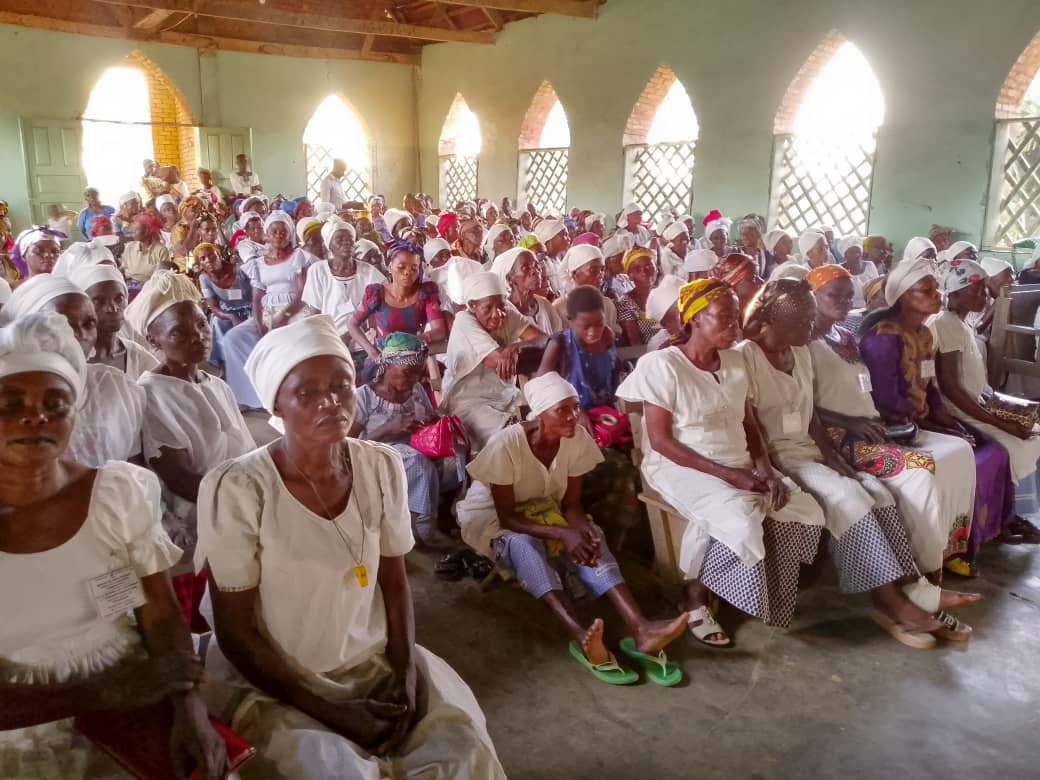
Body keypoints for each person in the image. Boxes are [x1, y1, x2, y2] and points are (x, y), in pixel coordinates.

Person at [194, 314, 504, 778]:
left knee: (464, 752)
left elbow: (395, 585)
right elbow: (237, 634)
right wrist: (330, 711)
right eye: (308, 393)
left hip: (372, 658)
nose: (332, 403)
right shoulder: (239, 488)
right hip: (282, 678)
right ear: (275, 402)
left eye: (341, 385)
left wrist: (404, 668)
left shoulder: (380, 467)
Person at [0, 312, 226, 779]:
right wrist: (100, 693)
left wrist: (189, 708)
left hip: (136, 694)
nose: (35, 417)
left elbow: (159, 613)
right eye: (10, 403)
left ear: (74, 413)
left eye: (55, 403)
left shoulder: (114, 494)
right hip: (21, 735)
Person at [740, 279, 958, 645]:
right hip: (777, 457)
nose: (813, 329)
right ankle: (891, 603)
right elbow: (748, 426)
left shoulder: (802, 351)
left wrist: (832, 458)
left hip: (809, 449)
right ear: (779, 322)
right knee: (849, 500)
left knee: (877, 491)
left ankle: (908, 587)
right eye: (806, 322)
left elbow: (810, 416)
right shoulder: (746, 357)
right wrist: (769, 470)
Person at [617, 279, 827, 641]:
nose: (735, 326)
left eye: (736, 318)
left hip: (736, 460)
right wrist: (730, 476)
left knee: (804, 509)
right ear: (695, 319)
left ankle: (749, 583)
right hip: (680, 465)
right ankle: (695, 596)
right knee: (740, 516)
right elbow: (662, 442)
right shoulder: (662, 365)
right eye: (724, 318)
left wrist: (766, 471)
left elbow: (748, 424)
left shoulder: (735, 361)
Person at [457, 371, 687, 684]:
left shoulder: (575, 439)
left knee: (591, 534)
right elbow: (508, 517)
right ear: (539, 414)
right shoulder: (507, 444)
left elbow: (572, 507)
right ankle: (579, 634)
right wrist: (563, 533)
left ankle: (640, 626)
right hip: (491, 518)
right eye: (562, 410)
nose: (573, 417)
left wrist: (578, 531)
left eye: (574, 408)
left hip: (542, 509)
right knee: (524, 545)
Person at [807, 265, 981, 614]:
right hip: (838, 438)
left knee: (956, 453)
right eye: (832, 295)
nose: (843, 302)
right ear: (810, 297)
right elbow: (801, 404)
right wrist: (850, 422)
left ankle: (935, 568)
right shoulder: (804, 343)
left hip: (870, 427)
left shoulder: (845, 336)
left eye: (847, 295)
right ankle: (924, 575)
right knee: (921, 471)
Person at [859, 256, 1014, 578]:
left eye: (935, 289)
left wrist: (947, 421)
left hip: (920, 421)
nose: (937, 295)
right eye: (926, 290)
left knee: (991, 450)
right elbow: (887, 402)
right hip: (893, 426)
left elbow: (929, 389)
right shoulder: (884, 337)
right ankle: (931, 553)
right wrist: (930, 425)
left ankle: (964, 542)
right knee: (956, 456)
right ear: (903, 296)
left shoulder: (925, 335)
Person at [132, 270, 254, 558]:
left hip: (245, 509)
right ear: (154, 340)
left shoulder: (217, 385)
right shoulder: (152, 394)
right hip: (206, 522)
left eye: (201, 324)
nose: (198, 336)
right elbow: (181, 479)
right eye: (179, 332)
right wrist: (246, 502)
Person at [931, 259, 1040, 540]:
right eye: (975, 291)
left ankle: (1016, 514)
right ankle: (1003, 519)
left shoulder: (961, 322)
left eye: (983, 290)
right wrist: (1001, 424)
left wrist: (1007, 407)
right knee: (1014, 445)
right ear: (953, 293)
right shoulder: (944, 324)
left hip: (979, 402)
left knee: (1034, 430)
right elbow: (952, 390)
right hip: (960, 412)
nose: (984, 296)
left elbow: (975, 384)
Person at [0, 274, 145, 469]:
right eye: (62, 324)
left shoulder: (118, 388)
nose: (80, 335)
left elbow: (134, 469)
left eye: (88, 324)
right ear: (25, 328)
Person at [536, 286, 642, 539]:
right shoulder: (560, 343)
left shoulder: (608, 338)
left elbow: (615, 378)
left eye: (599, 323)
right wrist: (575, 409)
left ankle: (635, 537)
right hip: (569, 426)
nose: (594, 332)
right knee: (620, 468)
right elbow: (540, 387)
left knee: (646, 458)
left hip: (607, 422)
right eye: (586, 326)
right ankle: (606, 538)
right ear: (570, 321)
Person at [349, 332, 460, 548]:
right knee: (416, 463)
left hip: (415, 446)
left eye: (418, 374)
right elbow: (349, 444)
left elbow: (431, 416)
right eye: (408, 373)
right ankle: (424, 529)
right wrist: (388, 429)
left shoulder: (415, 389)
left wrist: (431, 420)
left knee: (455, 459)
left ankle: (445, 513)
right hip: (376, 452)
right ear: (387, 366)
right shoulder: (364, 397)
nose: (414, 380)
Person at [441, 272, 546, 449]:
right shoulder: (463, 321)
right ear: (473, 306)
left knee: (545, 419)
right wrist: (519, 353)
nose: (497, 314)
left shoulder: (507, 311)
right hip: (469, 404)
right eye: (487, 308)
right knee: (513, 436)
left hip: (507, 396)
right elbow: (498, 362)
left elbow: (544, 340)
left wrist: (516, 348)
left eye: (501, 306)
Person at [347, 239, 446, 366]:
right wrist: (371, 351)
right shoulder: (377, 294)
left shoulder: (425, 294)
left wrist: (411, 343)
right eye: (401, 267)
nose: (407, 272)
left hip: (414, 356)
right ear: (389, 267)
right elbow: (352, 324)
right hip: (384, 360)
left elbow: (439, 330)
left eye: (414, 268)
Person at [301, 219, 386, 363]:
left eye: (350, 239)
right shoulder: (318, 270)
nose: (346, 243)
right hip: (331, 342)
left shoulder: (368, 272)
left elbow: (378, 310)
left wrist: (348, 337)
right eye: (339, 240)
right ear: (330, 246)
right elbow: (314, 313)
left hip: (364, 344)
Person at [68, 263, 159, 380]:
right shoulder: (73, 360)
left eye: (119, 299)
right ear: (82, 306)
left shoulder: (139, 357)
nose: (113, 308)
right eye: (99, 301)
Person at [248, 212, 309, 335]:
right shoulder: (258, 264)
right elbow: (256, 299)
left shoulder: (297, 256)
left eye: (283, 232)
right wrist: (259, 324)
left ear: (290, 235)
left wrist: (285, 315)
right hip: (268, 312)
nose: (278, 236)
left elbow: (303, 292)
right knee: (236, 337)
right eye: (274, 232)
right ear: (267, 235)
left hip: (295, 309)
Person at [196, 243, 253, 368]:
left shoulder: (239, 269)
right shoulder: (204, 278)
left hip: (251, 309)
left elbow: (258, 291)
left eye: (212, 255)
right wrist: (232, 317)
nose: (209, 260)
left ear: (219, 256)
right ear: (200, 264)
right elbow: (214, 307)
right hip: (228, 313)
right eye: (203, 258)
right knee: (217, 322)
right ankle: (226, 363)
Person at [491, 246, 562, 335]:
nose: (534, 271)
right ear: (509, 278)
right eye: (525, 268)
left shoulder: (544, 304)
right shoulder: (505, 313)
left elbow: (559, 336)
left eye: (536, 265)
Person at [551, 245, 620, 336]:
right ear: (574, 273)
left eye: (602, 269)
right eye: (593, 270)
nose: (601, 275)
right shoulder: (559, 308)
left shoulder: (607, 304)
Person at [615, 247, 661, 346]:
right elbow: (636, 344)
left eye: (649, 267)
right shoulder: (626, 304)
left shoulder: (666, 294)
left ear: (656, 270)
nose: (644, 273)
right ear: (630, 275)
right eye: (637, 269)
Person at [122, 213, 172, 287]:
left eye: (137, 229)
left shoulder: (161, 251)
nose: (133, 232)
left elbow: (162, 278)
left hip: (150, 289)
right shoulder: (129, 247)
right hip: (128, 287)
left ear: (147, 231)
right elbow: (123, 269)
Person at [713, 252, 764, 319]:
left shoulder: (760, 311)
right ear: (733, 283)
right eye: (753, 278)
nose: (761, 281)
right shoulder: (723, 321)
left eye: (757, 276)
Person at [837, 235, 880, 308]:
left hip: (871, 308)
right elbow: (840, 299)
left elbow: (877, 290)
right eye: (852, 252)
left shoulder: (870, 266)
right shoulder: (838, 270)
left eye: (858, 251)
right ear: (844, 255)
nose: (857, 255)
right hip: (849, 311)